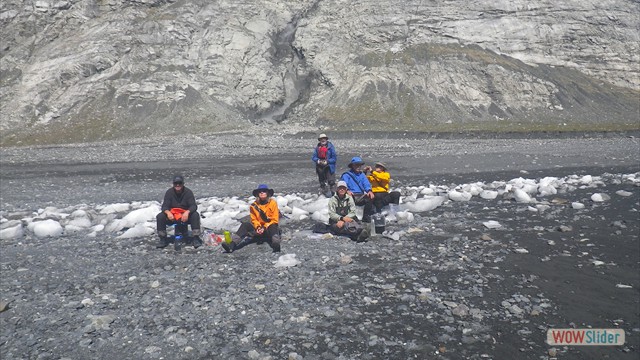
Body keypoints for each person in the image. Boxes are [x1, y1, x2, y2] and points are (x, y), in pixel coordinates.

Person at [222, 184, 282, 253]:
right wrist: (258, 227)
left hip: (269, 229)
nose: (262, 192)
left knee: (273, 225)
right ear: (257, 194)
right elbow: (254, 220)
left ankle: (276, 244)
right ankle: (231, 245)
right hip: (258, 231)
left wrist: (264, 227)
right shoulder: (253, 206)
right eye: (260, 191)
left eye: (264, 191)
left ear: (268, 193)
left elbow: (274, 219)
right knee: (245, 225)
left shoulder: (273, 203)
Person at [156, 175, 202, 251]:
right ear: (173, 184)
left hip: (185, 216)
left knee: (195, 215)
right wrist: (168, 212)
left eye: (179, 183)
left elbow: (193, 206)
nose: (177, 185)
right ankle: (162, 238)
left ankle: (196, 238)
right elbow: (164, 206)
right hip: (173, 216)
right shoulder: (169, 192)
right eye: (175, 183)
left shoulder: (188, 192)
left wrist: (187, 212)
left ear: (183, 183)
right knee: (160, 216)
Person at [340, 156, 375, 222]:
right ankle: (352, 216)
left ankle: (366, 216)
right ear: (352, 166)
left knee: (370, 197)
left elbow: (366, 184)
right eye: (356, 165)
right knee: (349, 198)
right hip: (351, 195)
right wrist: (347, 191)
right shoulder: (346, 175)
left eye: (359, 165)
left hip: (360, 195)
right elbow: (343, 185)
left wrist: (369, 191)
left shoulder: (362, 175)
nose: (358, 167)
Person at [311, 133, 338, 197]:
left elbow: (334, 158)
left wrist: (327, 161)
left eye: (324, 139)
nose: (323, 140)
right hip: (320, 167)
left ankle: (334, 195)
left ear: (326, 139)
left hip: (329, 166)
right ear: (319, 140)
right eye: (321, 139)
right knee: (322, 183)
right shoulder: (317, 148)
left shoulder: (331, 147)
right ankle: (324, 195)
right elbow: (313, 157)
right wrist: (318, 161)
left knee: (331, 182)